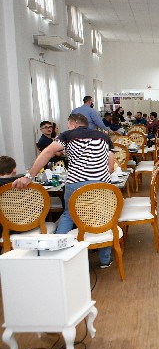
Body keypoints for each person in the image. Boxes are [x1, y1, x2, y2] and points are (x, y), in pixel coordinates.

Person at [13, 113, 115, 267]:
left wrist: (28, 176)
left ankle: (57, 256)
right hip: (101, 185)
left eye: (68, 125)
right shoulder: (104, 137)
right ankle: (105, 261)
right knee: (102, 217)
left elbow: (47, 152)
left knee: (68, 215)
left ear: (74, 124)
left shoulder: (67, 135)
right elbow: (111, 167)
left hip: (75, 183)